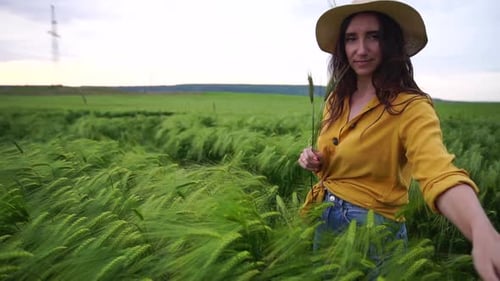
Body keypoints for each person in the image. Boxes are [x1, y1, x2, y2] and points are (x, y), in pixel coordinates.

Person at [297, 0, 500, 280]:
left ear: (390, 42)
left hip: (373, 234)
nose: (361, 49)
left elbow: (437, 172)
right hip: (325, 215)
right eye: (351, 38)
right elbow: (336, 157)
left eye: (373, 36)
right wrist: (314, 160)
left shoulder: (411, 107)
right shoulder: (336, 99)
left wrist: (480, 228)